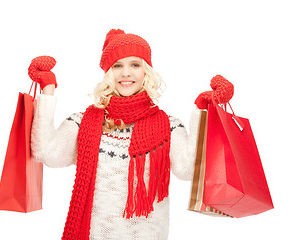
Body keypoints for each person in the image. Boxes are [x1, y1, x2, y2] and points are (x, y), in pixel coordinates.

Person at [29, 29, 233, 240]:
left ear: (146, 71)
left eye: (135, 64)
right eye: (118, 65)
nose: (126, 73)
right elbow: (46, 153)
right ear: (108, 72)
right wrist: (48, 90)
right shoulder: (84, 122)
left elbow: (188, 169)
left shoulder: (169, 125)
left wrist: (204, 111)